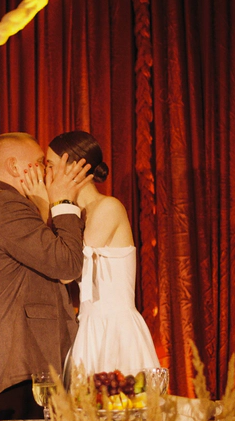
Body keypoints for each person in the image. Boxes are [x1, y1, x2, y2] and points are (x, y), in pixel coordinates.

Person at [0, 131, 92, 419]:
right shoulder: (4, 203)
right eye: (39, 163)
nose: (46, 173)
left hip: (25, 355)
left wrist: (41, 208)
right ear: (14, 167)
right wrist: (62, 202)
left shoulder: (6, 202)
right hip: (19, 357)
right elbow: (66, 264)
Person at [22, 129, 160, 379]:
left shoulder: (108, 207)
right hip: (88, 326)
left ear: (75, 168)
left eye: (50, 165)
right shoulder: (72, 215)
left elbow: (67, 270)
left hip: (114, 328)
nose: (45, 173)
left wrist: (51, 203)